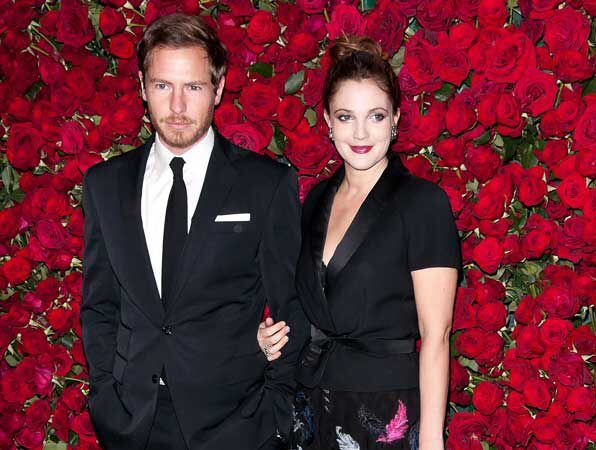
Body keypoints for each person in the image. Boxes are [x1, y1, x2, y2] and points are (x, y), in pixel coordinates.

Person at [81, 13, 307, 450]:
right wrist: (106, 399)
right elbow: (99, 306)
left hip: (237, 425)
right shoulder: (105, 185)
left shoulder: (265, 185)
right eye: (163, 86)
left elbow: (291, 307)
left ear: (218, 88)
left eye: (194, 87)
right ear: (142, 87)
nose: (178, 106)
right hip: (133, 423)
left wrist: (274, 412)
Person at [257, 36, 462, 450]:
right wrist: (271, 335)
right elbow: (311, 304)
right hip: (312, 402)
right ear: (328, 121)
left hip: (385, 409)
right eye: (346, 116)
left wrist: (432, 439)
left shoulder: (422, 203)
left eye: (376, 116)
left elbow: (436, 335)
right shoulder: (317, 199)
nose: (361, 132)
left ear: (395, 119)